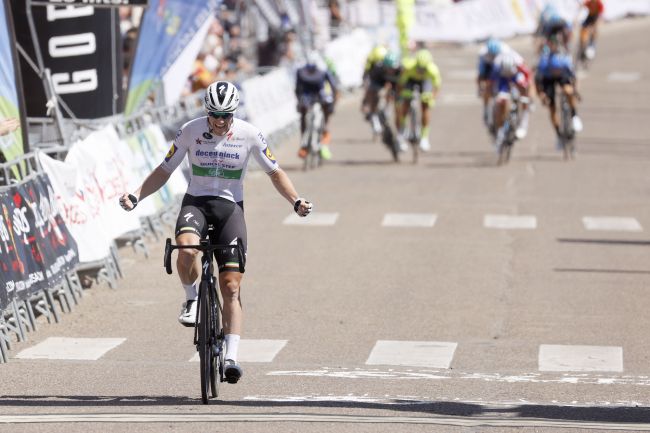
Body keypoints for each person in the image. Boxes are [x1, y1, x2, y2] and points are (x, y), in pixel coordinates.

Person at [119, 81, 313, 384]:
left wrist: (296, 201)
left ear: (234, 113)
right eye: (214, 115)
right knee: (185, 248)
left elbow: (275, 172)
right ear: (206, 112)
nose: (219, 122)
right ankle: (192, 298)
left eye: (226, 115)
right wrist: (136, 195)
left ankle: (232, 356)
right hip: (196, 202)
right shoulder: (191, 130)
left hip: (230, 209)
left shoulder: (250, 134)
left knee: (231, 286)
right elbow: (164, 170)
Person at [535, 37, 583, 149]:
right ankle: (558, 134)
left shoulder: (564, 59)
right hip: (548, 79)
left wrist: (576, 92)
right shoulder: (544, 61)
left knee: (568, 90)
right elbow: (537, 81)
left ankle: (574, 115)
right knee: (551, 106)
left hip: (563, 76)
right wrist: (541, 95)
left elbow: (574, 78)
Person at [295, 51, 339, 160]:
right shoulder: (304, 71)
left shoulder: (316, 70)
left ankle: (323, 137)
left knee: (322, 111)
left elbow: (297, 89)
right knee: (305, 115)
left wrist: (332, 103)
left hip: (317, 95)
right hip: (310, 96)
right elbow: (333, 86)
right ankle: (307, 143)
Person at [396, 48, 442, 152]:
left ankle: (424, 137)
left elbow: (437, 87)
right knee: (405, 103)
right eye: (419, 68)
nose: (420, 71)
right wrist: (401, 96)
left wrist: (432, 98)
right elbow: (401, 84)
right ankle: (403, 128)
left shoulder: (432, 70)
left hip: (425, 82)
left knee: (425, 106)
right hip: (410, 81)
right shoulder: (409, 67)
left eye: (423, 69)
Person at [490, 52, 532, 149]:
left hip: (515, 78)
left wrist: (527, 98)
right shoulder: (497, 68)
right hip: (502, 80)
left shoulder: (519, 68)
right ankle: (500, 130)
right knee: (500, 101)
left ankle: (523, 123)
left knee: (523, 97)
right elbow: (492, 84)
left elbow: (527, 84)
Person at [361, 48, 401, 135]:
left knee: (394, 93)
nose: (391, 70)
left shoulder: (399, 70)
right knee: (375, 95)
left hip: (391, 81)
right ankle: (374, 116)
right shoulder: (377, 68)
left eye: (392, 68)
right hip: (378, 80)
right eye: (388, 68)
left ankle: (387, 108)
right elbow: (371, 84)